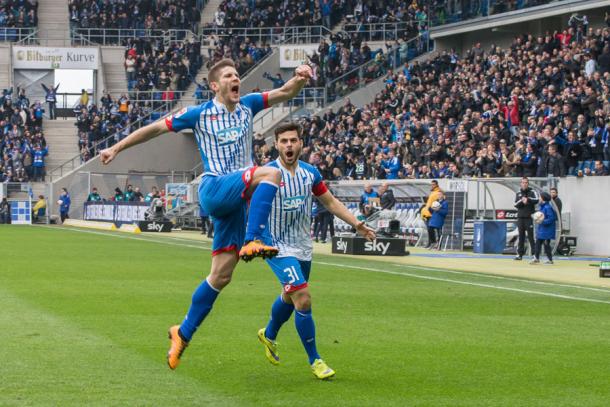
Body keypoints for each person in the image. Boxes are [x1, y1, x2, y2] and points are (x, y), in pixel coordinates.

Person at [99, 58, 313, 370]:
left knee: (221, 275)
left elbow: (285, 92)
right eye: (229, 75)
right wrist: (116, 148)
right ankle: (253, 238)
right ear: (215, 85)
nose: (235, 78)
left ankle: (182, 333)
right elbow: (155, 128)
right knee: (271, 174)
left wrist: (301, 77)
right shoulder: (199, 114)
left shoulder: (248, 105)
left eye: (237, 74)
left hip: (236, 200)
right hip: (214, 189)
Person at [257, 123, 376, 379]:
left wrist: (356, 224)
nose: (288, 145)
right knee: (303, 297)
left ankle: (268, 334)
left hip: (302, 246)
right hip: (275, 245)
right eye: (283, 141)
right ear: (276, 145)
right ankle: (316, 360)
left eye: (293, 140)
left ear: (301, 143)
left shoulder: (310, 174)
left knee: (289, 297)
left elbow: (330, 202)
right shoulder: (266, 174)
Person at [513, 177, 539, 260]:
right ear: (521, 183)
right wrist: (522, 201)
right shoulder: (518, 193)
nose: (524, 184)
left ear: (528, 183)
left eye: (526, 182)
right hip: (520, 218)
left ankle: (535, 255)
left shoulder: (532, 192)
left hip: (529, 218)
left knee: (531, 237)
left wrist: (527, 199)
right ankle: (519, 254)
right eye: (523, 182)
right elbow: (515, 204)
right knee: (521, 236)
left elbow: (536, 200)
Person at [531, 193, 556, 265]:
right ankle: (536, 258)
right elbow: (541, 217)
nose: (539, 199)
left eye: (540, 197)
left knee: (546, 244)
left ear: (543, 199)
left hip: (547, 230)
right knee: (538, 244)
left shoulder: (547, 207)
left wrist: (541, 221)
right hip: (543, 230)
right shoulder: (543, 207)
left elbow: (551, 218)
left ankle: (550, 260)